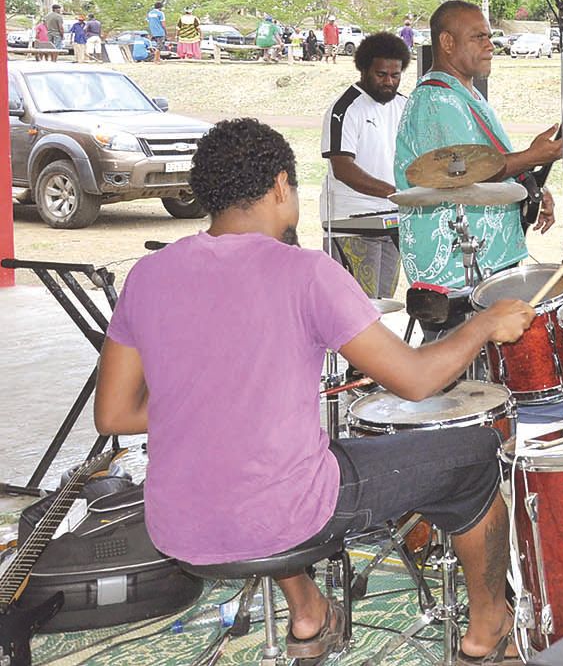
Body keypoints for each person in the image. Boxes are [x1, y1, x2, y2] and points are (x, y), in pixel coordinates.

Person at [94, 118, 536, 665]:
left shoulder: (148, 275)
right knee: (473, 455)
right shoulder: (305, 272)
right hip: (282, 512)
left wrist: (211, 407)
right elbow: (417, 380)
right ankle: (489, 632)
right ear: (281, 185)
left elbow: (113, 414)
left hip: (177, 524)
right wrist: (484, 325)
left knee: (273, 467)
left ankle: (308, 612)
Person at [395, 0, 562, 331]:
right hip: (458, 269)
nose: (490, 45)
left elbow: (487, 163)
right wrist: (532, 157)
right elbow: (466, 172)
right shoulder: (437, 100)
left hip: (486, 260)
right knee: (457, 358)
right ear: (447, 42)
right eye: (478, 37)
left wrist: (529, 183)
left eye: (489, 36)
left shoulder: (463, 94)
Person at [322, 33, 412, 301]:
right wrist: (394, 192)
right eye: (381, 74)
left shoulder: (404, 106)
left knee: (383, 303)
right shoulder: (345, 109)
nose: (389, 82)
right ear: (363, 70)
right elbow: (343, 168)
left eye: (395, 75)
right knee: (355, 306)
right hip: (352, 222)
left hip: (393, 218)